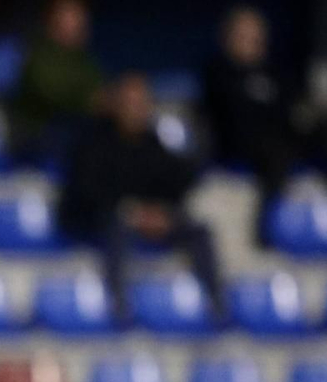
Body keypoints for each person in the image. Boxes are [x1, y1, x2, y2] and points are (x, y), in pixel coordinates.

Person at [198, 6, 327, 247]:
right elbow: (225, 115)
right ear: (228, 38)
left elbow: (294, 105)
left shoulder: (274, 70)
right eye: (243, 35)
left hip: (282, 138)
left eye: (256, 36)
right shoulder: (217, 71)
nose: (251, 42)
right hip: (241, 144)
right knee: (274, 149)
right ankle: (268, 223)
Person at [59, 73, 221, 324]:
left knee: (198, 230)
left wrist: (163, 212)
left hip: (147, 219)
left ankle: (216, 303)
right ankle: (120, 306)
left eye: (141, 103)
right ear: (115, 105)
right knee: (115, 229)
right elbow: (88, 192)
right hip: (101, 221)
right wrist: (131, 212)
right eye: (128, 103)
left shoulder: (154, 143)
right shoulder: (94, 142)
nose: (135, 110)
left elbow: (174, 183)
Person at [5, 0, 104, 164]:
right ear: (53, 24)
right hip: (34, 136)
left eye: (81, 20)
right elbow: (51, 92)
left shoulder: (84, 61)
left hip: (71, 135)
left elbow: (99, 89)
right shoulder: (37, 56)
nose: (78, 26)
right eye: (71, 20)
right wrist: (90, 101)